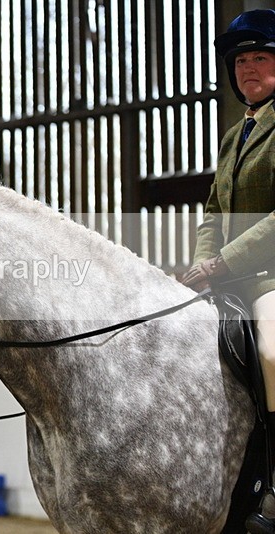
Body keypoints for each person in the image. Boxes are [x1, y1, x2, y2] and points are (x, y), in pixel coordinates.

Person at [181, 9, 275, 532]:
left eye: (260, 57)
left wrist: (224, 263)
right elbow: (215, 211)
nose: (248, 68)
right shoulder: (234, 135)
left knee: (272, 351)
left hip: (270, 279)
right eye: (241, 60)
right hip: (226, 279)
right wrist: (201, 265)